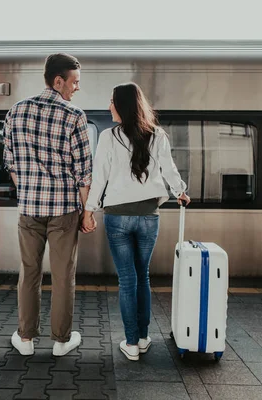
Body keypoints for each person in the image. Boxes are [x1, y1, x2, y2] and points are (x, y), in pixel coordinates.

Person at [82, 82, 190, 361]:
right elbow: (169, 169)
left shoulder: (109, 137)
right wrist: (180, 192)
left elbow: (100, 177)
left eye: (111, 101)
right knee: (142, 276)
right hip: (148, 217)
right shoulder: (157, 135)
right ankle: (142, 338)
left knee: (127, 280)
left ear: (122, 105)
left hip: (117, 217)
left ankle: (130, 342)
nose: (109, 106)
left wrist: (89, 209)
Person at [3, 53, 93, 357]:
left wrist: (28, 190)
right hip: (64, 211)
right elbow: (83, 173)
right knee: (63, 275)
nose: (77, 88)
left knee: (29, 272)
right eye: (75, 81)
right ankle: (60, 341)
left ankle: (25, 340)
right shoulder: (74, 115)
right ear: (59, 81)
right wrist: (87, 213)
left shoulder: (16, 111)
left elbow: (11, 164)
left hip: (29, 210)